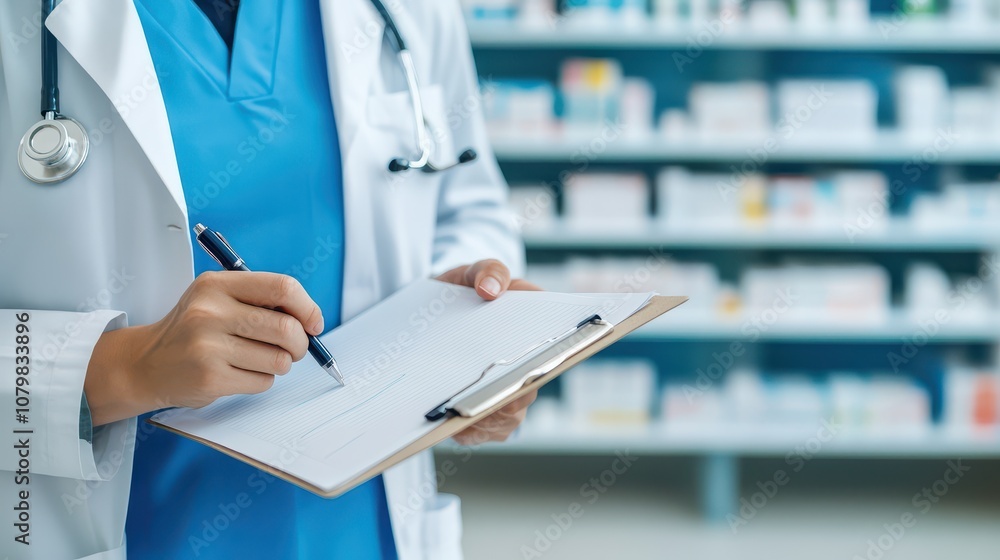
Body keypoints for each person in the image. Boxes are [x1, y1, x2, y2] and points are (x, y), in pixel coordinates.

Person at [0, 0, 537, 558]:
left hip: (362, 524)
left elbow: (467, 207)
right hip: (131, 529)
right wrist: (127, 368)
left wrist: (462, 329)